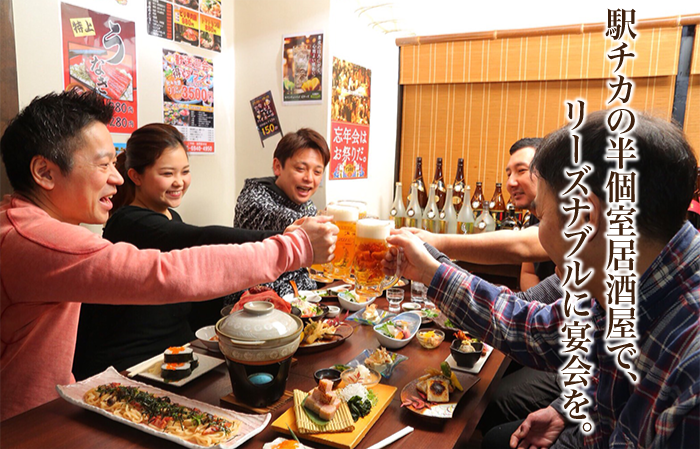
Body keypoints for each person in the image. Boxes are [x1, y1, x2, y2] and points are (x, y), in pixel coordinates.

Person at [0, 90, 337, 422]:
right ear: (44, 172)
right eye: (104, 164)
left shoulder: (27, 226)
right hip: (26, 428)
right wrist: (296, 247)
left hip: (58, 407)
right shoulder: (32, 238)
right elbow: (167, 271)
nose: (116, 178)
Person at [386, 110, 700, 447]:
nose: (539, 233)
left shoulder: (690, 371)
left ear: (585, 215)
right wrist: (571, 410)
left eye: (542, 216)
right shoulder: (628, 284)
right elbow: (531, 327)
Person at [73, 123, 288, 380]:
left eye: (185, 171)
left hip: (179, 353)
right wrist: (284, 240)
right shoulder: (128, 222)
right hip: (130, 365)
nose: (179, 182)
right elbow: (202, 239)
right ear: (135, 176)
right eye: (167, 173)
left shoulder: (169, 215)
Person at [411, 138, 553, 290]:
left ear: (549, 172)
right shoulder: (535, 214)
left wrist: (434, 242)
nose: (510, 183)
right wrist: (537, 309)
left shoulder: (570, 215)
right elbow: (528, 272)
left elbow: (523, 246)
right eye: (509, 174)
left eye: (521, 171)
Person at [234, 128, 330, 296]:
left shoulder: (307, 205)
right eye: (301, 169)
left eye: (317, 172)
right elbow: (289, 221)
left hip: (300, 302)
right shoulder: (254, 199)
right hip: (255, 304)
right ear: (278, 167)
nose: (309, 178)